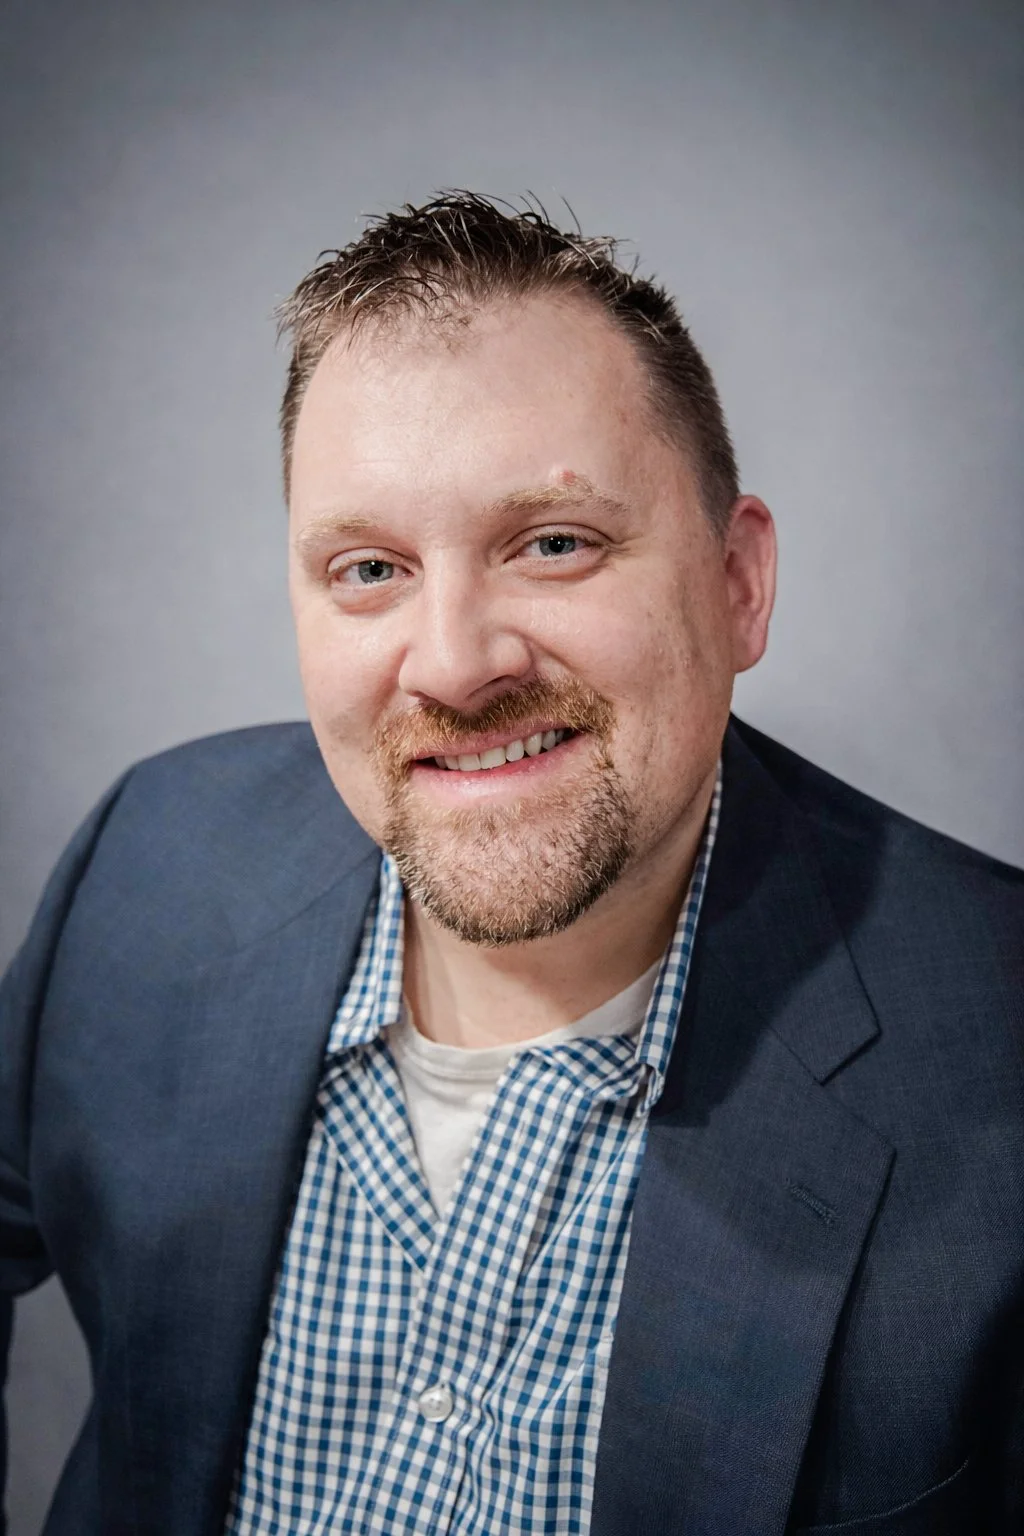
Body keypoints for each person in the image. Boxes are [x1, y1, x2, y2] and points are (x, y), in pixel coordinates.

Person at [1, 192, 1021, 1536]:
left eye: (553, 545)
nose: (454, 662)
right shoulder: (149, 862)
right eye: (369, 567)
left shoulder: (999, 1047)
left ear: (737, 585)